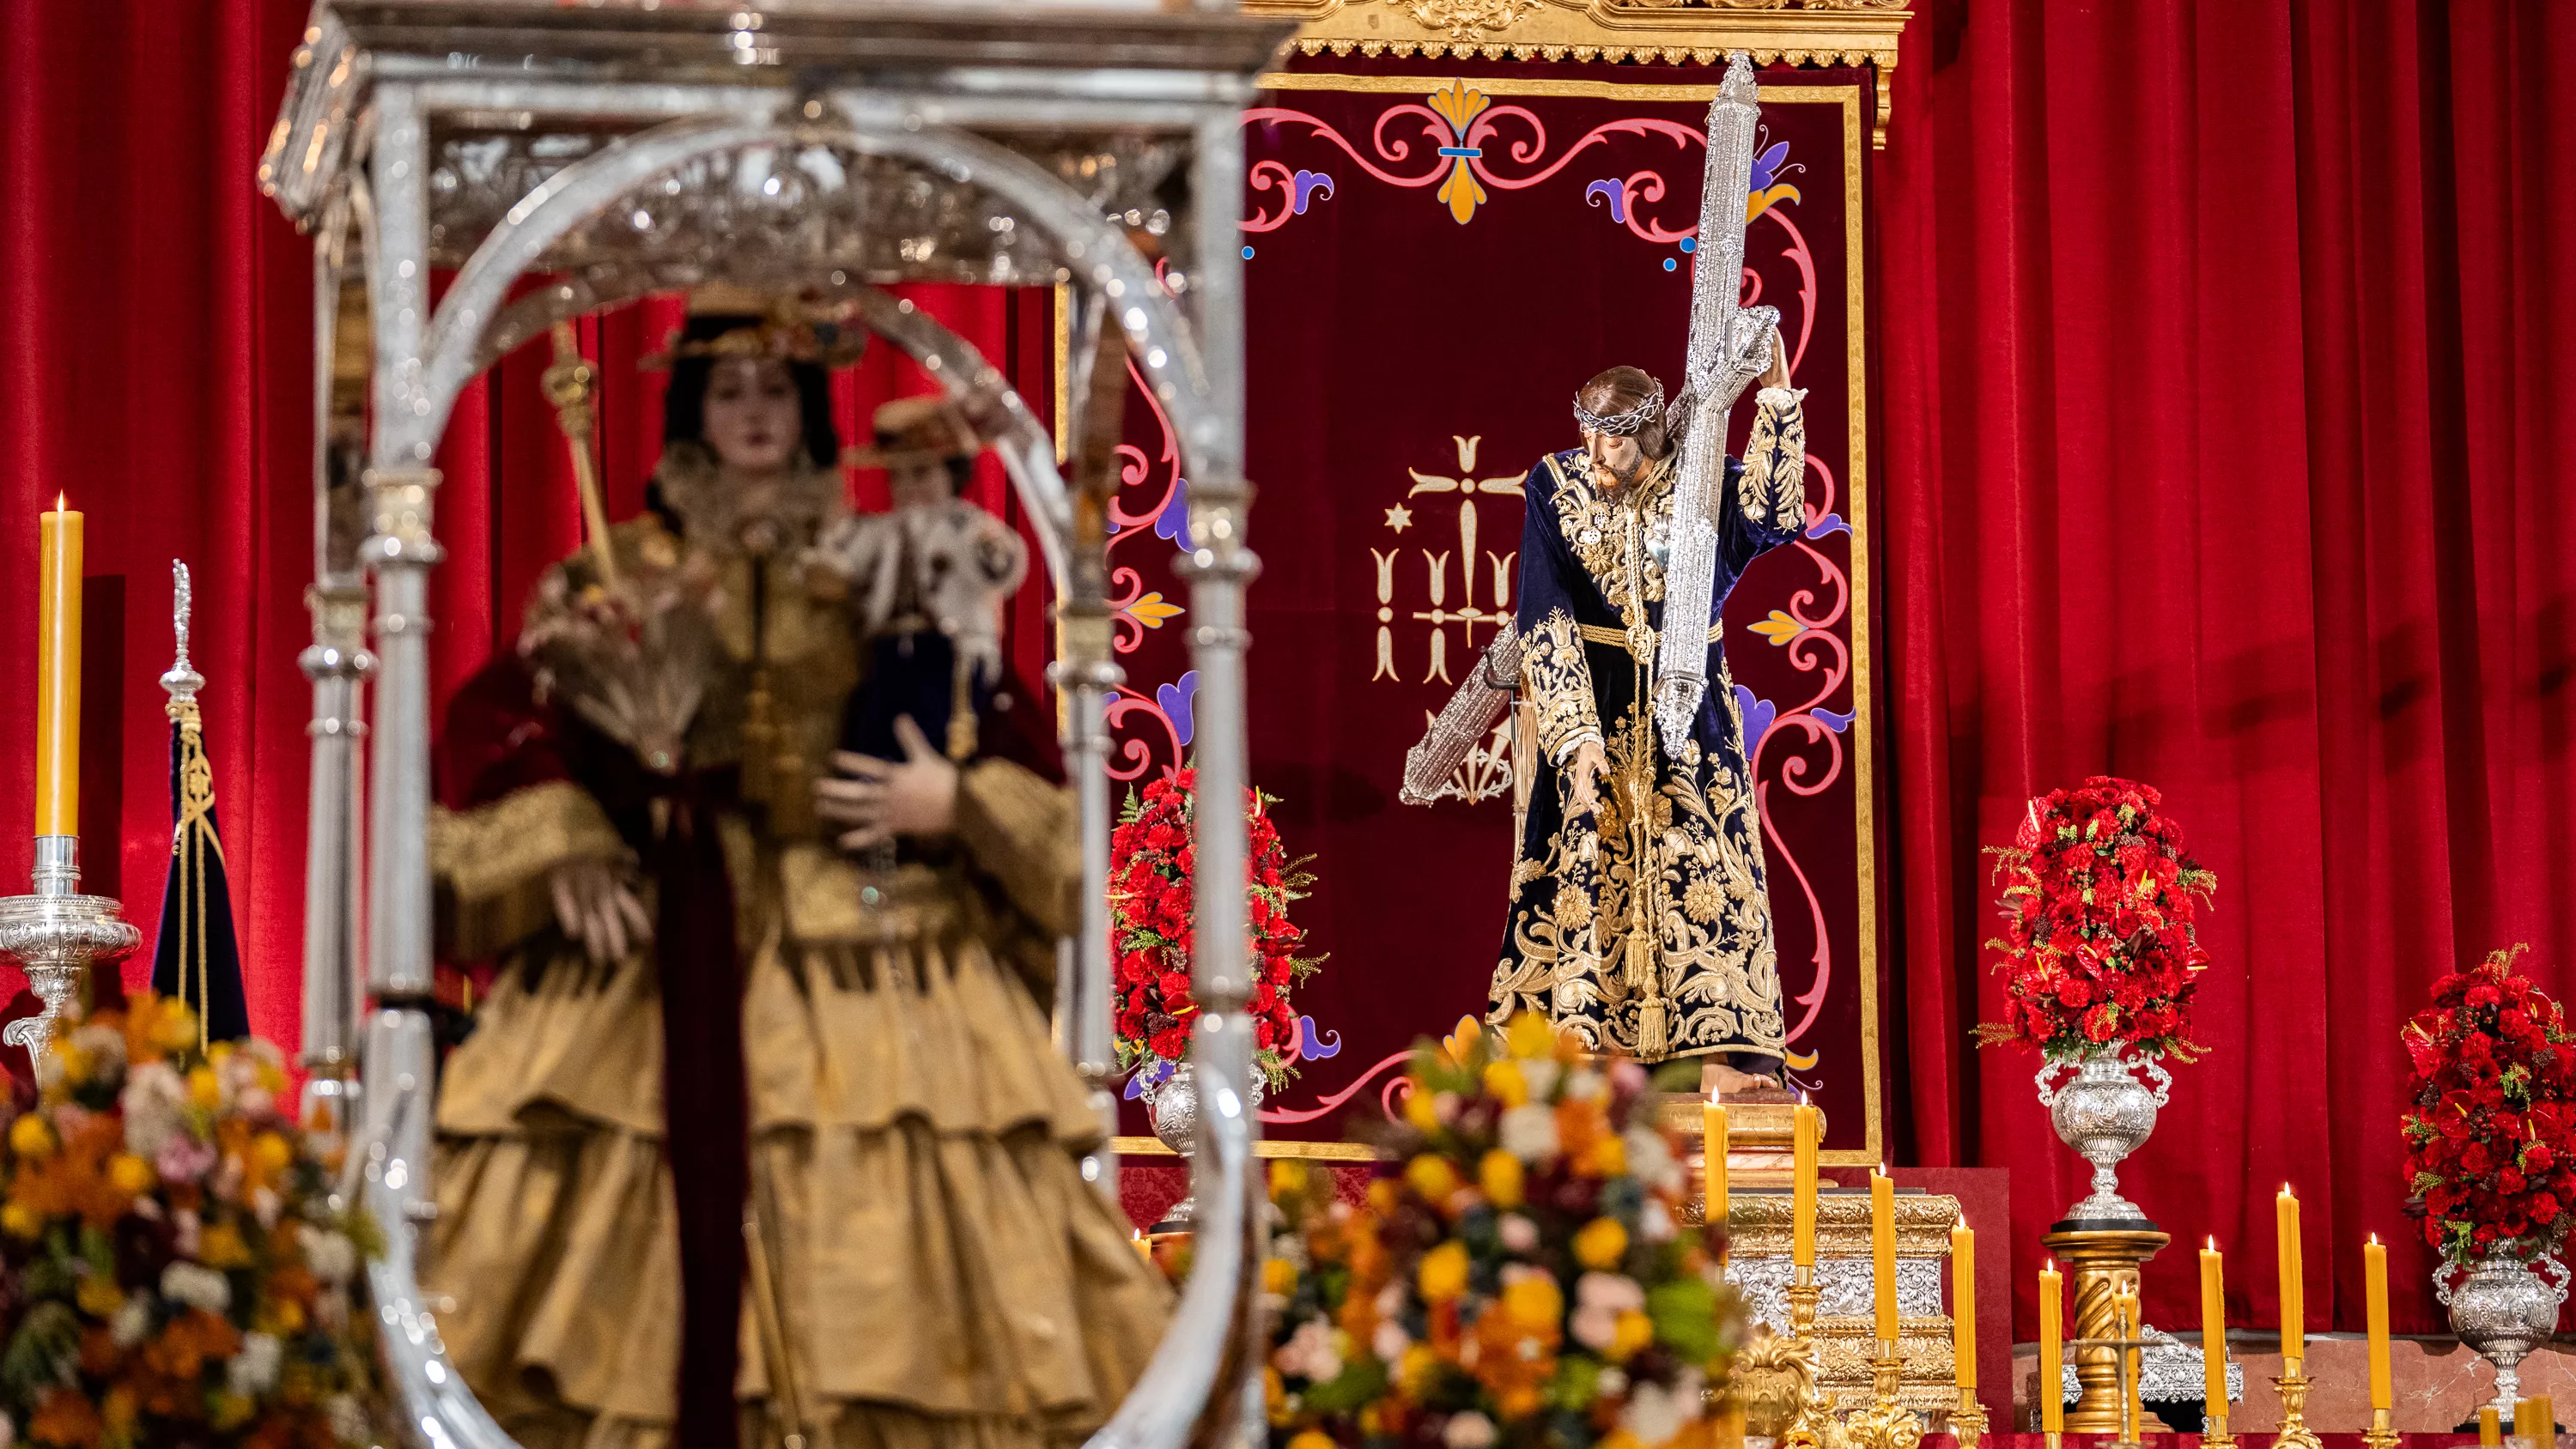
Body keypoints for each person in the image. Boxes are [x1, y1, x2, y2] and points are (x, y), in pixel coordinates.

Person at [422, 295, 1168, 1449]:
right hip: (665, 942)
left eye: (777, 392)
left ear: (815, 414)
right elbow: (501, 729)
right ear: (694, 413)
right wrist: (561, 827)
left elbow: (999, 736)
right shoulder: (620, 572)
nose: (756, 415)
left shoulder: (874, 567)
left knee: (887, 1236)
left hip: (867, 939)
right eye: (731, 393)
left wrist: (953, 801)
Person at [1485, 341, 1806, 1094]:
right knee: (1585, 872)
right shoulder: (1554, 486)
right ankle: (1585, 1051)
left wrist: (1777, 391)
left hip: (1691, 715)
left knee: (1703, 867)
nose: (1597, 450)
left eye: (1616, 437)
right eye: (1589, 432)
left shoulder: (1701, 485)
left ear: (1652, 430)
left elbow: (1775, 513)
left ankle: (1716, 1060)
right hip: (1592, 709)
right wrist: (1574, 735)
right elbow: (1545, 610)